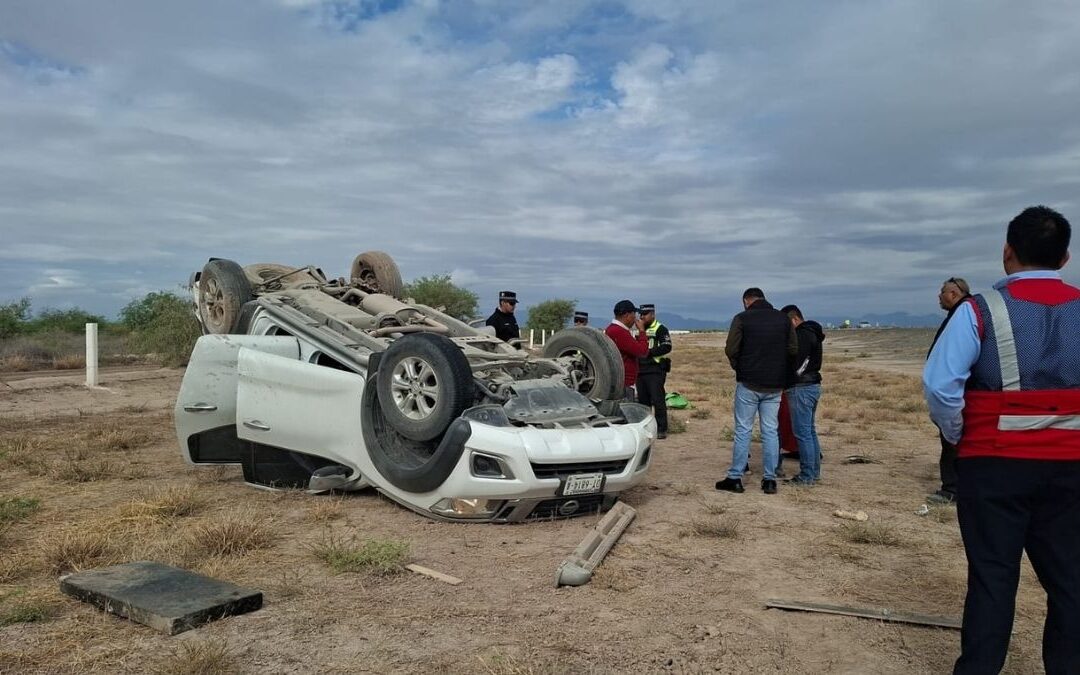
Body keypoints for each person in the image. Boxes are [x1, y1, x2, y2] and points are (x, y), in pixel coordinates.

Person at [923, 206, 1080, 674]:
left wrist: (958, 435)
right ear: (1065, 258)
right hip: (1071, 466)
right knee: (1070, 580)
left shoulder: (978, 310)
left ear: (1007, 253)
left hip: (992, 464)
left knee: (993, 577)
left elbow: (940, 385)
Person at [716, 288, 797, 495]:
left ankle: (735, 478)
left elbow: (731, 349)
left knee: (743, 430)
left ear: (746, 301)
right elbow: (793, 349)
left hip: (749, 383)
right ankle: (769, 480)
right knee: (770, 431)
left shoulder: (742, 319)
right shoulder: (783, 319)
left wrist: (740, 366)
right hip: (775, 385)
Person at [926, 276, 972, 504]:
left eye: (942, 292)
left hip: (957, 395)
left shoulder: (963, 315)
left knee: (952, 440)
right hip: (958, 393)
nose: (939, 296)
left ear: (953, 294)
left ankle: (952, 489)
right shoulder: (961, 314)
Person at [779, 304, 824, 485]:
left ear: (794, 319)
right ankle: (813, 473)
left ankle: (806, 476)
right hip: (811, 385)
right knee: (809, 431)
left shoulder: (803, 335)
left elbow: (799, 364)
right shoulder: (813, 333)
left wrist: (787, 378)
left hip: (801, 387)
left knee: (803, 433)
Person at [636, 304, 672, 439]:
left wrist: (649, 353)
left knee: (658, 400)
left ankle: (661, 429)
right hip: (641, 370)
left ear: (652, 314)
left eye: (645, 314)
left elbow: (667, 346)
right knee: (643, 402)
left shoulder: (660, 329)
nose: (642, 317)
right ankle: (646, 428)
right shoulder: (639, 330)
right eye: (641, 314)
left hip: (655, 370)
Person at [604, 300, 648, 401]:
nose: (635, 318)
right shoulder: (619, 331)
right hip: (624, 383)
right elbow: (642, 352)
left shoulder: (612, 329)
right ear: (627, 315)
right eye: (634, 314)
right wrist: (642, 331)